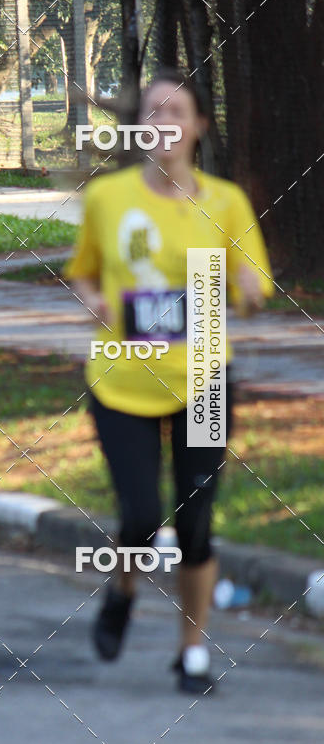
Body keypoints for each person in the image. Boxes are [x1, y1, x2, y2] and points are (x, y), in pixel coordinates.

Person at [65, 68, 272, 694]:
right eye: (154, 112)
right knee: (141, 516)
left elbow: (255, 288)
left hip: (204, 379)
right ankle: (123, 590)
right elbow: (84, 275)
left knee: (198, 524)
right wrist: (96, 301)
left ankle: (191, 653)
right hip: (122, 380)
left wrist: (247, 289)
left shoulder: (226, 202)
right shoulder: (109, 199)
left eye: (177, 113)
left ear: (199, 127)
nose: (165, 124)